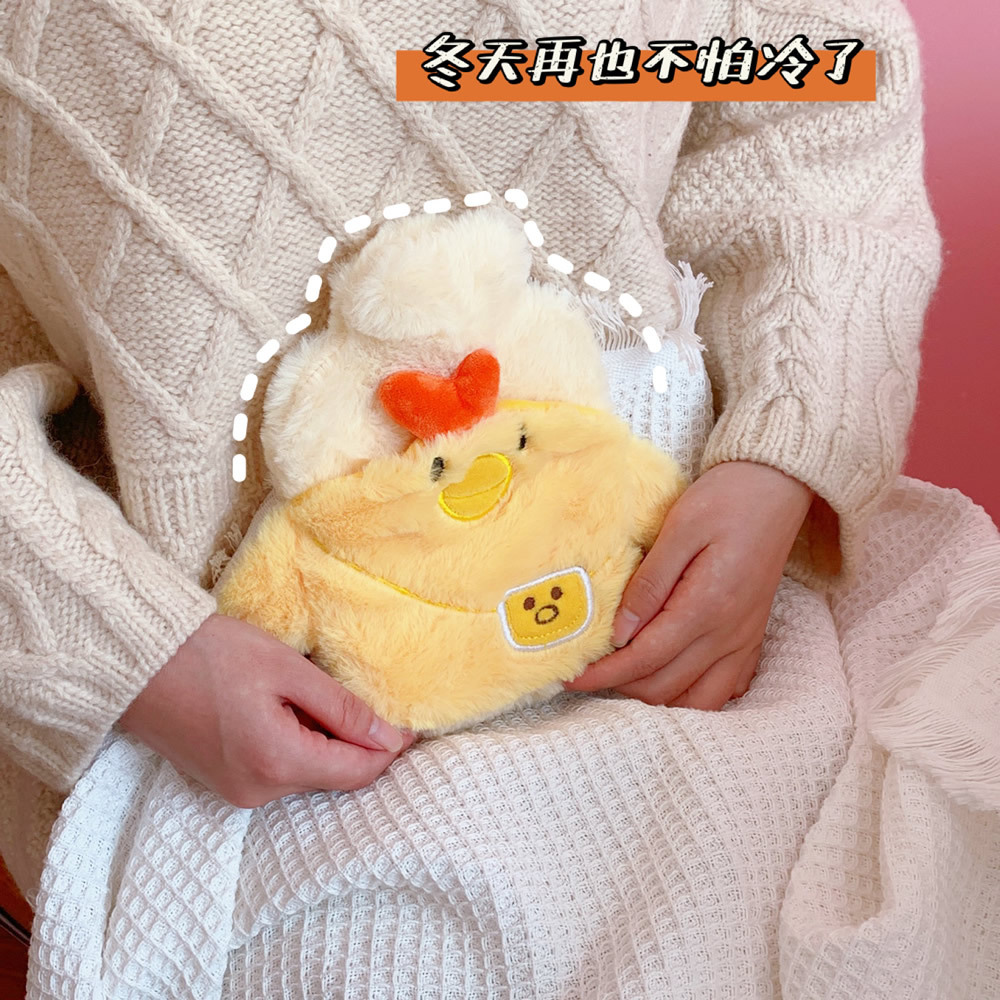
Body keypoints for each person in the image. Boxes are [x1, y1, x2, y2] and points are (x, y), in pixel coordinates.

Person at [0, 0, 938, 926]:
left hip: (699, 621)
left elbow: (827, 78)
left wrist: (779, 456)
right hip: (209, 742)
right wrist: (119, 645)